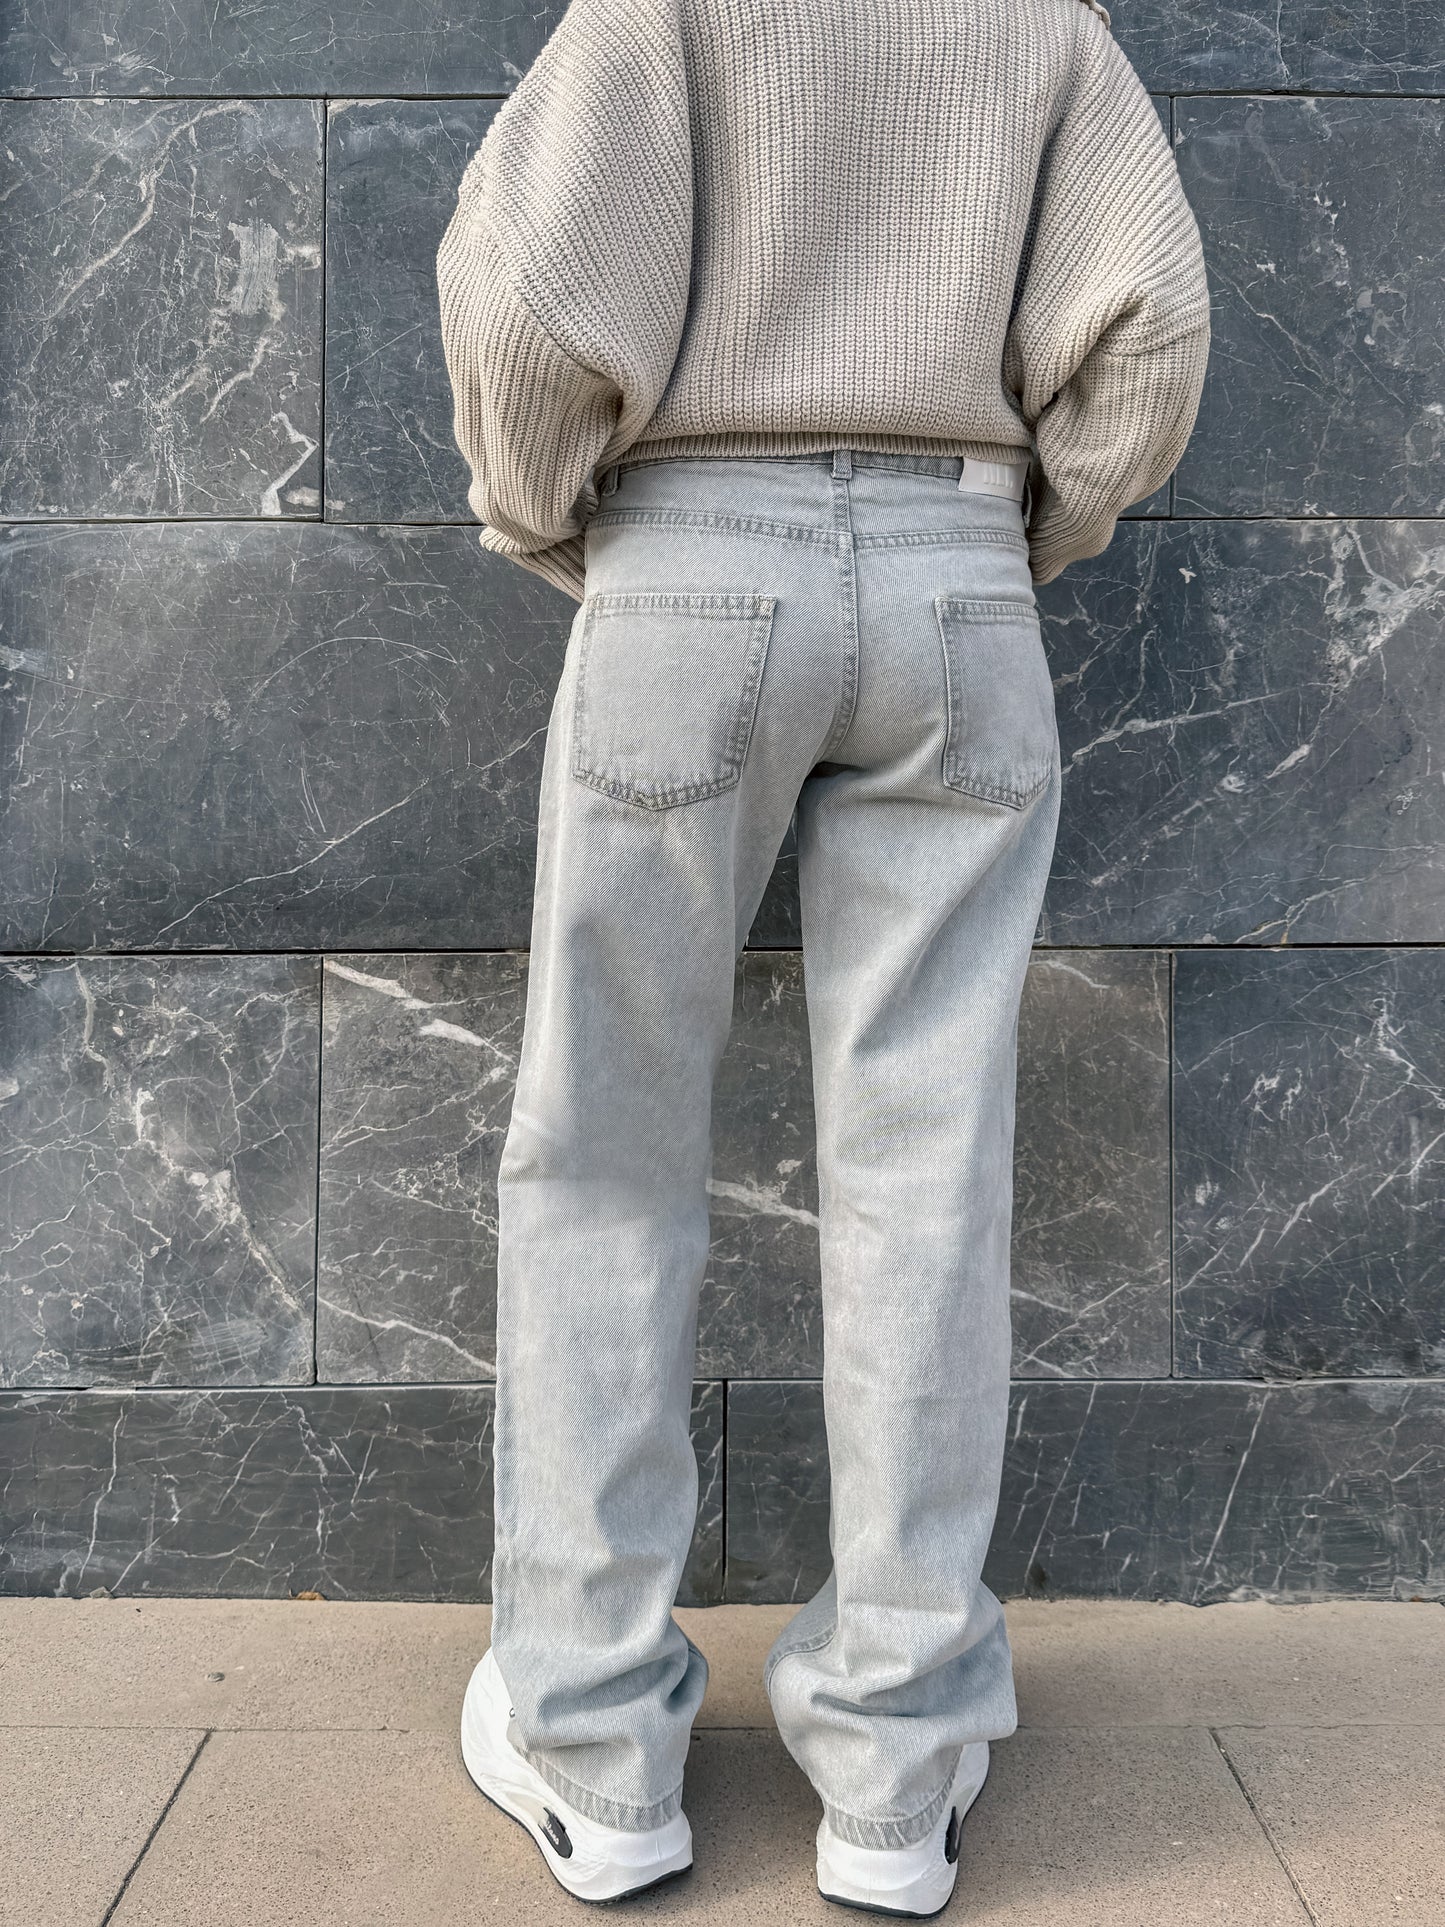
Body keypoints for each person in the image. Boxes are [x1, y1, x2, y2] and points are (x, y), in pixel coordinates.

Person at [436, 0, 1208, 1913]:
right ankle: (894, 1775)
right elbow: (1147, 330)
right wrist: (1016, 534)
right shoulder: (1043, 20)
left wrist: (554, 523)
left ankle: (594, 1747)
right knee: (926, 1167)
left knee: (604, 1151)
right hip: (958, 575)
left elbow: (526, 306)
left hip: (687, 559)